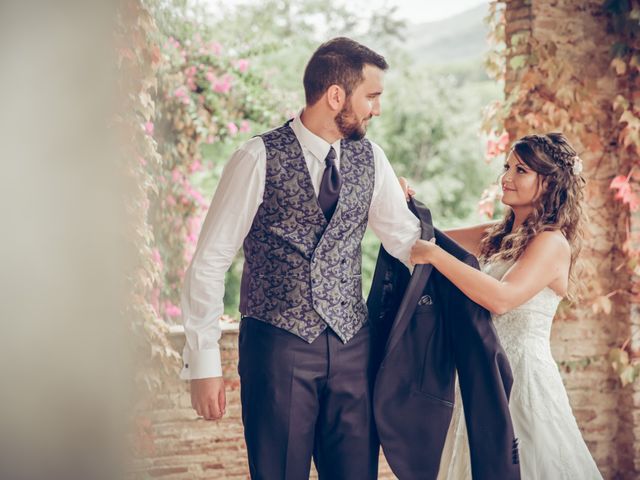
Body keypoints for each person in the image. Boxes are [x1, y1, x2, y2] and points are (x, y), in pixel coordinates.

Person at [179, 37, 421, 479]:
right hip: (277, 348)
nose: (377, 110)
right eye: (372, 96)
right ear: (335, 96)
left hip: (353, 349)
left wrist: (503, 239)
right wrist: (203, 363)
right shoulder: (256, 157)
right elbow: (210, 261)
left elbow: (407, 241)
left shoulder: (372, 158)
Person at [408, 133, 603, 479]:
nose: (507, 177)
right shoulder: (495, 235)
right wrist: (402, 197)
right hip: (482, 374)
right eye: (507, 166)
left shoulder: (552, 242)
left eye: (521, 170)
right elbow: (425, 234)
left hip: (524, 380)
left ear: (549, 184)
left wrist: (436, 257)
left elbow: (501, 298)